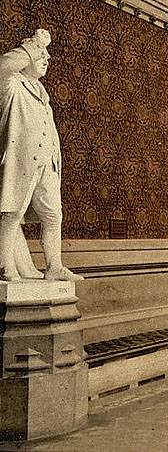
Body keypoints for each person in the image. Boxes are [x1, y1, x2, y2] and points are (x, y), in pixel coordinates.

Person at [0, 29, 82, 282]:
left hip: (47, 165)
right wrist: (36, 44)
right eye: (40, 55)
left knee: (53, 216)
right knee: (12, 213)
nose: (46, 58)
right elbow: (5, 65)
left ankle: (54, 266)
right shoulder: (11, 85)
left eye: (47, 54)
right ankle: (4, 267)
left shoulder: (41, 92)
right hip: (22, 162)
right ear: (27, 59)